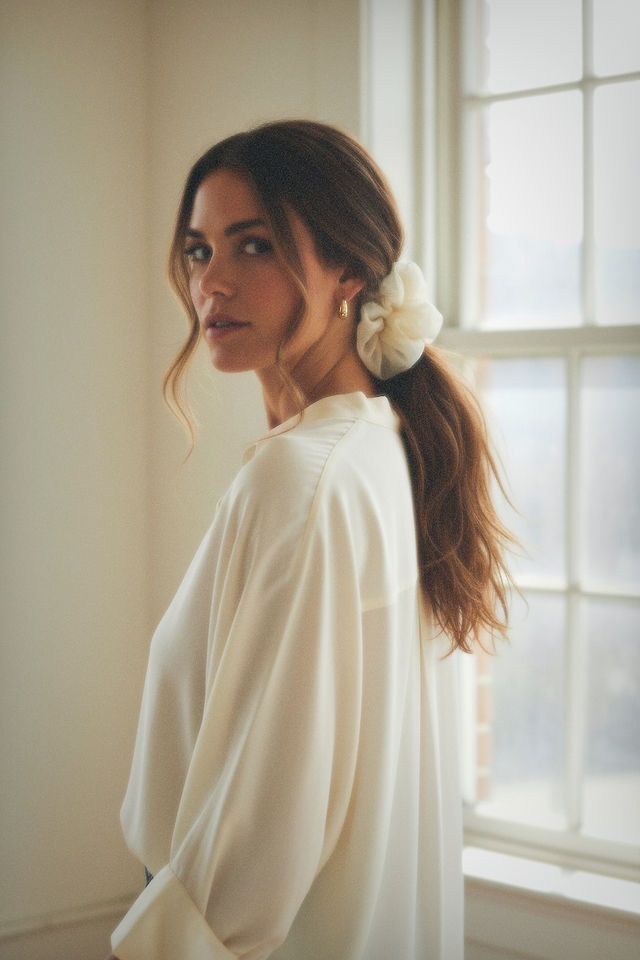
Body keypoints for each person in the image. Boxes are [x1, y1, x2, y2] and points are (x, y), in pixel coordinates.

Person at [109, 120, 513, 960]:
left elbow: (261, 824)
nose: (210, 283)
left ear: (350, 273)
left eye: (251, 246)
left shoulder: (305, 479)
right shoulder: (378, 449)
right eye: (197, 250)